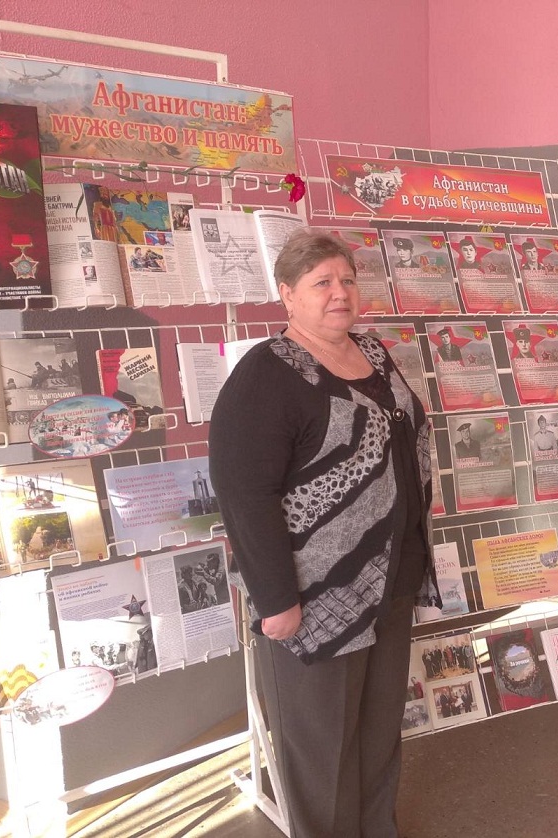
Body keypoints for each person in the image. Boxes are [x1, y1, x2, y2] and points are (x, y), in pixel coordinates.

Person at [209, 228, 438, 838]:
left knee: (378, 732)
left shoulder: (374, 354)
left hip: (389, 580)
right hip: (316, 598)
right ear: (287, 295)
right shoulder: (266, 375)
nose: (340, 293)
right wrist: (275, 599)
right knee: (321, 751)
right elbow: (244, 495)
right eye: (321, 283)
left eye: (347, 280)